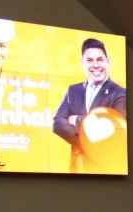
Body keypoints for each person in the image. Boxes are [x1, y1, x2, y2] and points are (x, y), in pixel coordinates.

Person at [52, 37, 127, 172]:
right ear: (82, 63)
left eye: (100, 59)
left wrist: (75, 119)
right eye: (89, 60)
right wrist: (91, 143)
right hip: (76, 171)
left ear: (108, 61)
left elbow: (116, 134)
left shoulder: (120, 94)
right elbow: (57, 124)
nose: (96, 65)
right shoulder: (73, 90)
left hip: (106, 173)